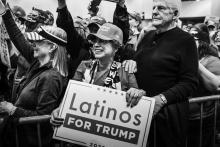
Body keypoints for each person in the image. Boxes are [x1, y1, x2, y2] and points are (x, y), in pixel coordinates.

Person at [50, 24, 146, 146]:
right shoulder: (84, 66)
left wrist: (138, 93)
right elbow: (70, 96)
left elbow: (137, 97)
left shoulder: (125, 70)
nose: (96, 44)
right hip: (80, 138)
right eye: (95, 40)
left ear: (116, 47)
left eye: (103, 41)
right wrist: (59, 110)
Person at [124, 0, 198, 146]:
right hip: (140, 112)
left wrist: (161, 99)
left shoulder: (186, 40)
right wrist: (132, 62)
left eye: (161, 8)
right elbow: (142, 62)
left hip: (167, 116)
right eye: (154, 8)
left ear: (175, 14)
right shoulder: (148, 36)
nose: (155, 11)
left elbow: (189, 82)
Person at [0, 2, 68, 146]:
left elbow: (43, 117)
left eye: (39, 41)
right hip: (16, 135)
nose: (33, 43)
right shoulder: (37, 62)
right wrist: (5, 13)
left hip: (27, 141)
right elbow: (18, 37)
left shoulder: (52, 77)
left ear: (52, 48)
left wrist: (13, 110)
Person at [188, 24, 220, 147]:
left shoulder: (211, 60)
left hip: (202, 118)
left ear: (201, 43)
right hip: (183, 117)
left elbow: (214, 85)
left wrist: (193, 61)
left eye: (192, 41)